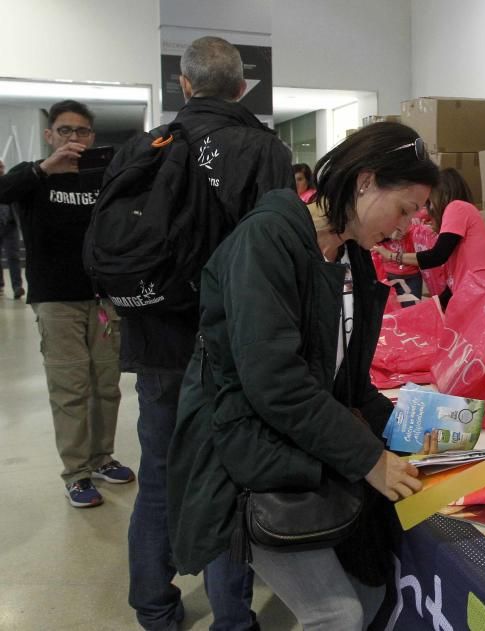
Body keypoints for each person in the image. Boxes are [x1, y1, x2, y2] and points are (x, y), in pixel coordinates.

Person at [167, 121, 437, 630]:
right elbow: (276, 382)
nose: (404, 229)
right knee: (334, 612)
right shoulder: (267, 240)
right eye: (403, 209)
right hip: (249, 457)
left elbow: (349, 387)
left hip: (302, 448)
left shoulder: (353, 254)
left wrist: (422, 432)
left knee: (371, 587)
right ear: (365, 181)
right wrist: (368, 458)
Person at [110, 36, 294, 631]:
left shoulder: (143, 147)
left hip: (155, 339)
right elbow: (274, 255)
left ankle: (154, 607)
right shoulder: (264, 149)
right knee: (225, 480)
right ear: (242, 88)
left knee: (161, 475)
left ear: (184, 86)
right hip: (226, 343)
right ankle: (233, 620)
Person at [0, 100, 132, 506]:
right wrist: (42, 169)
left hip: (103, 298)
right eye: (65, 131)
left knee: (106, 385)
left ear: (92, 137)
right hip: (56, 300)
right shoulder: (32, 177)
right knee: (70, 387)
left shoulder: (101, 178)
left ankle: (101, 457)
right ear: (50, 135)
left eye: (82, 132)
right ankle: (76, 473)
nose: (74, 139)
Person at [373, 167, 485, 310]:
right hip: (474, 292)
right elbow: (449, 289)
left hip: (478, 292)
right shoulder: (462, 217)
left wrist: (392, 256)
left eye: (430, 201)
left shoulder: (456, 207)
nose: (429, 207)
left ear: (441, 193)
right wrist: (429, 308)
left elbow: (436, 256)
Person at [0, 160, 25, 299]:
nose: (1, 169)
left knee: (13, 256)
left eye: (2, 166)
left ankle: (17, 287)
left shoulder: (10, 182)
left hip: (11, 225)